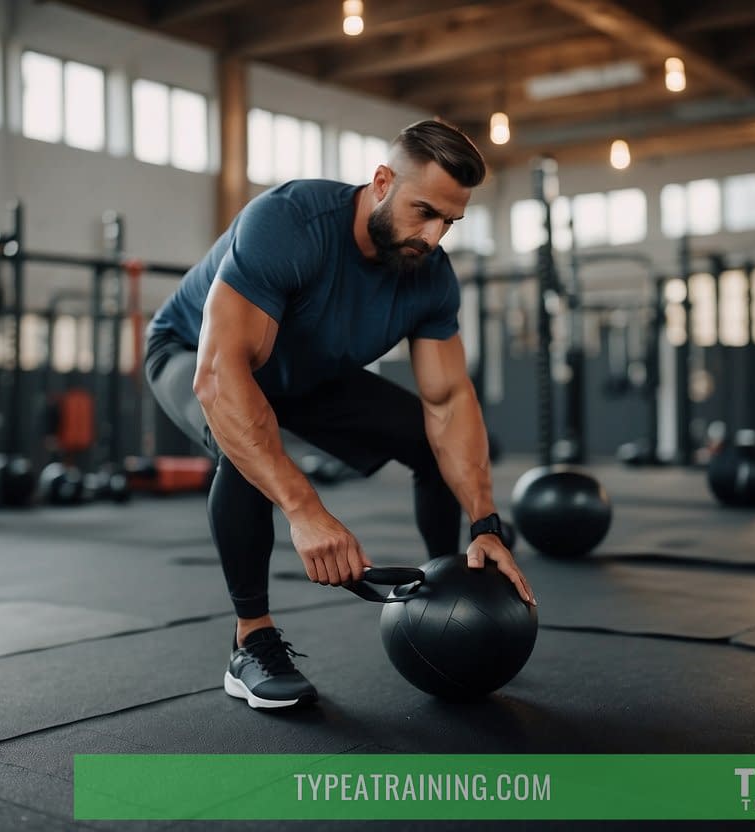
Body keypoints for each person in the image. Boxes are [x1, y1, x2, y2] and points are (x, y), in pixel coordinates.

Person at [144, 119, 536, 710]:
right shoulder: (289, 224)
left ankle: (446, 585)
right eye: (424, 211)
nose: (432, 237)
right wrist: (305, 511)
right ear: (382, 182)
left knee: (427, 441)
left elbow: (449, 402)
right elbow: (222, 379)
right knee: (242, 446)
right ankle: (251, 641)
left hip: (307, 371)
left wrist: (486, 525)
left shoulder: (429, 276)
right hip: (191, 352)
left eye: (449, 222)